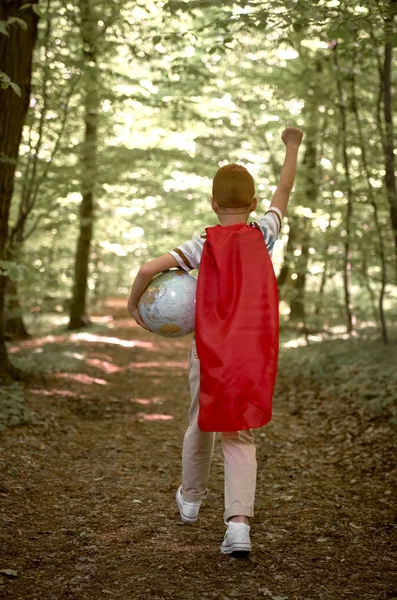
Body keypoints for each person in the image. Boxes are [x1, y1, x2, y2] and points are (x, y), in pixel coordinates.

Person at [128, 126, 304, 557]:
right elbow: (285, 188)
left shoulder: (202, 244)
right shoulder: (264, 232)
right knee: (238, 433)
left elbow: (150, 267)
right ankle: (238, 527)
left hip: (208, 351)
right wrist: (292, 146)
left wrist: (135, 307)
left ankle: (190, 499)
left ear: (212, 203)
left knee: (200, 419)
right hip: (251, 354)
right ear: (254, 204)